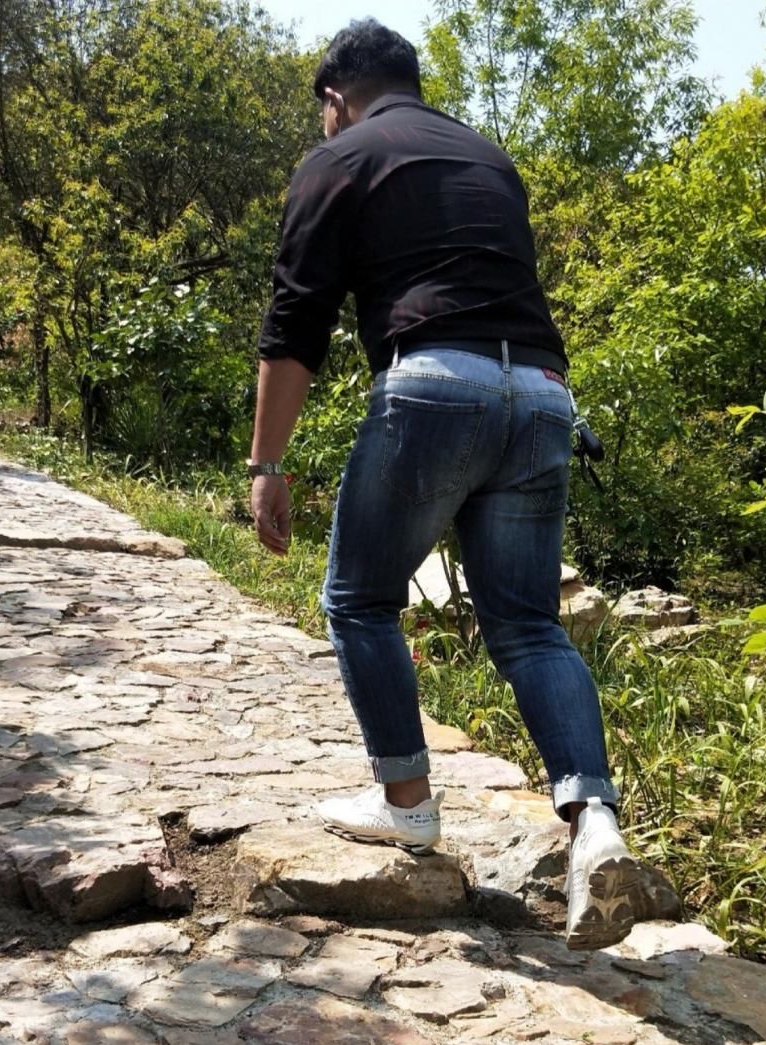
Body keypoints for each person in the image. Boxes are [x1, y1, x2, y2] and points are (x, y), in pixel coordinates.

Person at [249, 19, 642, 950]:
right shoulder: (489, 157)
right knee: (530, 625)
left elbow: (295, 319)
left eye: (324, 115)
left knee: (359, 598)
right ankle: (597, 827)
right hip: (543, 397)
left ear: (338, 98)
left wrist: (267, 464)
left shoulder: (343, 156)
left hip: (435, 388)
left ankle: (408, 804)